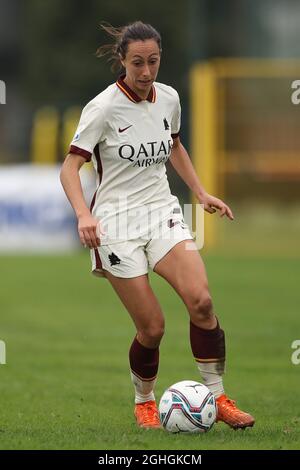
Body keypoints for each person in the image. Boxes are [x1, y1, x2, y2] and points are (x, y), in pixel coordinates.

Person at [60, 21, 255, 430]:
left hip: (162, 211)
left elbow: (175, 145)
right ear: (122, 62)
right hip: (115, 223)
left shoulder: (168, 97)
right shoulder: (103, 108)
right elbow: (70, 168)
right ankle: (144, 400)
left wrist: (200, 192)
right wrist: (83, 214)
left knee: (201, 302)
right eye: (137, 64)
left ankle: (217, 397)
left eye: (153, 62)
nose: (146, 72)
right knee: (152, 327)